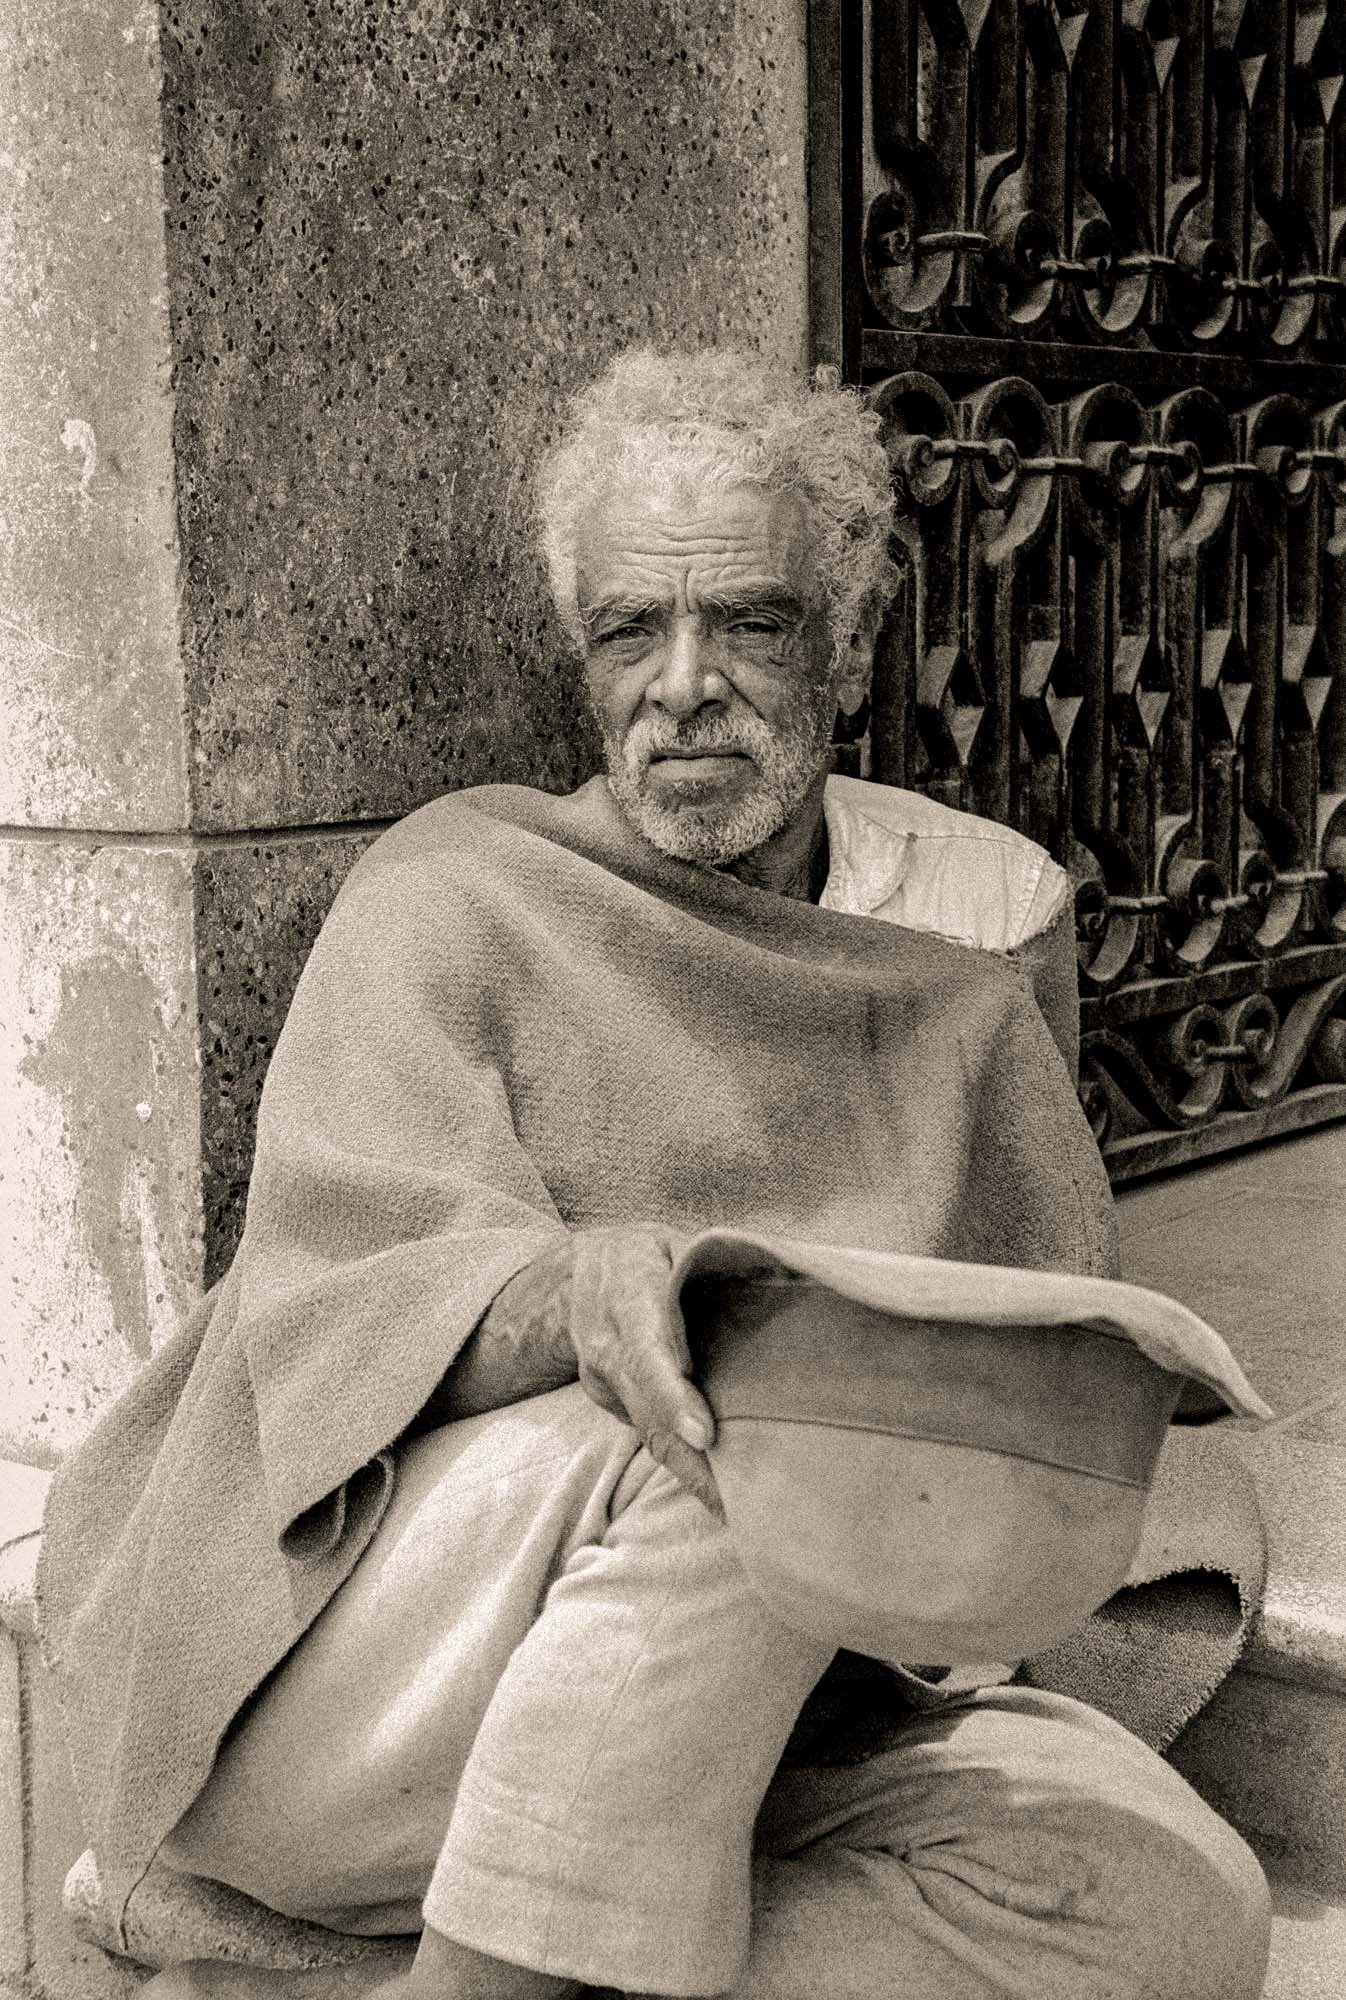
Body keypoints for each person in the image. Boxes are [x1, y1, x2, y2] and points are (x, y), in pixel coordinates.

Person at [38, 349, 1271, 2000]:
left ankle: (309, 1976)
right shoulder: (452, 895)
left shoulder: (955, 1003)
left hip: (761, 1723)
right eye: (632, 632)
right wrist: (587, 1289)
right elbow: (337, 1320)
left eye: (746, 623)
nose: (682, 684)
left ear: (843, 643)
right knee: (750, 1444)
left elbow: (1015, 1431)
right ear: (585, 658)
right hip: (347, 1678)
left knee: (1176, 1907)